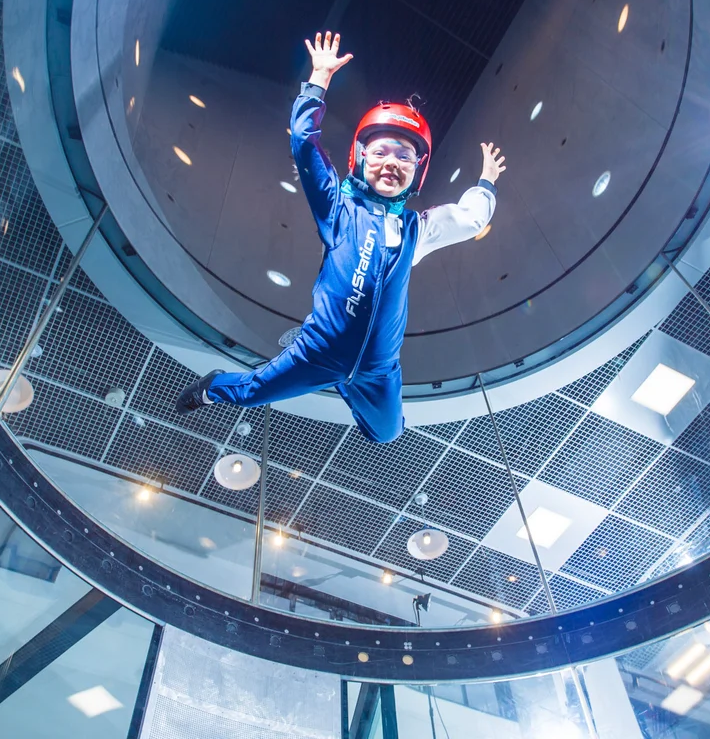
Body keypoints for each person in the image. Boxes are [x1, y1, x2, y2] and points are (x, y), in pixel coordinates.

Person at [176, 32, 505, 443]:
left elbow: (471, 220)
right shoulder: (339, 209)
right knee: (252, 393)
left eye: (404, 156)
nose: (391, 162)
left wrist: (486, 183)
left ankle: (351, 387)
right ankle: (212, 387)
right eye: (382, 151)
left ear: (416, 171)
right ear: (361, 157)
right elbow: (304, 143)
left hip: (378, 369)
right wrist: (318, 81)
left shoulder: (416, 231)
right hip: (318, 352)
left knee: (386, 433)